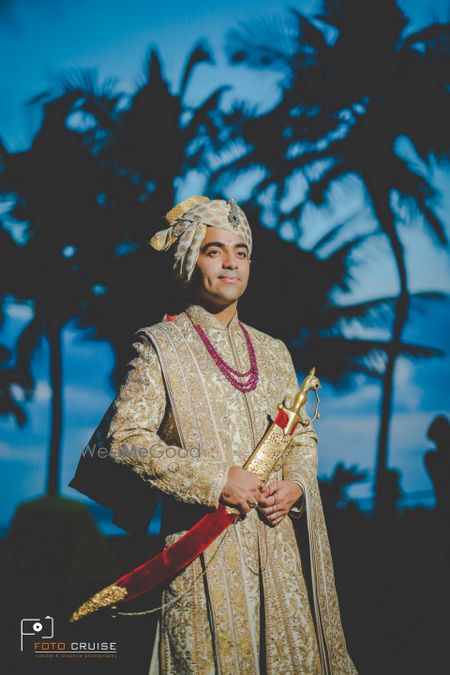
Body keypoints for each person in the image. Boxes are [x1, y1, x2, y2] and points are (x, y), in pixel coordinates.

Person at [70, 195, 357, 674]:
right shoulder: (159, 345)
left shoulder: (273, 351)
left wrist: (297, 487)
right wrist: (217, 478)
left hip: (279, 545)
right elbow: (126, 439)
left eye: (241, 252)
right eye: (214, 251)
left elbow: (300, 437)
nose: (230, 263)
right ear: (188, 260)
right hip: (202, 552)